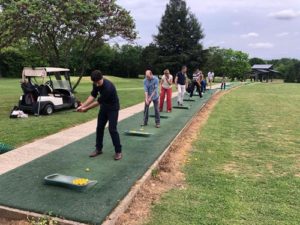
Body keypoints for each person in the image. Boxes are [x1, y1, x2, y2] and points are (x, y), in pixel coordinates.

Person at [77, 70, 122, 160]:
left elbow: (97, 102)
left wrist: (86, 109)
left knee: (112, 129)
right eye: (95, 83)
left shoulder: (108, 87)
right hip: (104, 107)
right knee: (99, 128)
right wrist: (83, 105)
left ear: (102, 78)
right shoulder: (96, 83)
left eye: (98, 82)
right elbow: (93, 96)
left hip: (113, 108)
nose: (97, 85)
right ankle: (98, 149)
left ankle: (118, 151)